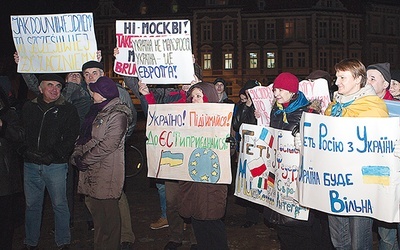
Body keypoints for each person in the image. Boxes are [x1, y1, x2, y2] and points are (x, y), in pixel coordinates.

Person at [325, 58, 388, 249]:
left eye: (343, 77)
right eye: (336, 77)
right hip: (335, 181)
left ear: (358, 79)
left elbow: (381, 148)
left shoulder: (373, 107)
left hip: (361, 185)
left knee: (359, 241)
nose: (337, 82)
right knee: (338, 240)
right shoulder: (333, 107)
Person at [264, 72, 332, 250]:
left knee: (301, 230)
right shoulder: (276, 111)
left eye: (281, 89)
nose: (276, 93)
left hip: (300, 179)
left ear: (293, 91)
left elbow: (319, 148)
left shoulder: (308, 112)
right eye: (275, 89)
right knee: (283, 228)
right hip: (280, 178)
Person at [71, 76, 133, 250]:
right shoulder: (96, 111)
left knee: (109, 220)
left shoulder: (118, 115)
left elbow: (109, 144)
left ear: (103, 93)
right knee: (98, 218)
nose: (92, 92)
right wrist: (76, 154)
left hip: (107, 172)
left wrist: (84, 159)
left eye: (95, 90)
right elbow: (83, 137)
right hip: (91, 171)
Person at [20, 73, 80, 249]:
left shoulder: (68, 109)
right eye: (50, 85)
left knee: (60, 204)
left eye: (58, 86)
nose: (54, 89)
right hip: (31, 165)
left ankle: (63, 241)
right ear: (40, 88)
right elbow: (20, 132)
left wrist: (53, 155)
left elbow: (70, 137)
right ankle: (30, 241)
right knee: (32, 205)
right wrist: (24, 151)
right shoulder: (28, 107)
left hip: (56, 166)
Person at [178, 82, 229, 250]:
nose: (194, 100)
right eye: (192, 97)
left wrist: (231, 144)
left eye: (199, 96)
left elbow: (228, 153)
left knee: (213, 224)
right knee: (197, 222)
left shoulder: (222, 121)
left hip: (211, 183)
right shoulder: (185, 121)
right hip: (192, 182)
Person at [231, 80, 264, 228]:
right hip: (248, 149)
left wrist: (260, 115)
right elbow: (237, 125)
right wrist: (247, 108)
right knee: (250, 181)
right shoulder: (243, 106)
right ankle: (251, 216)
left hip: (262, 149)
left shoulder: (264, 105)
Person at [0, 84, 25, 250]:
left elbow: (20, 137)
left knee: (4, 224)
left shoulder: (10, 114)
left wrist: (4, 126)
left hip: (5, 182)